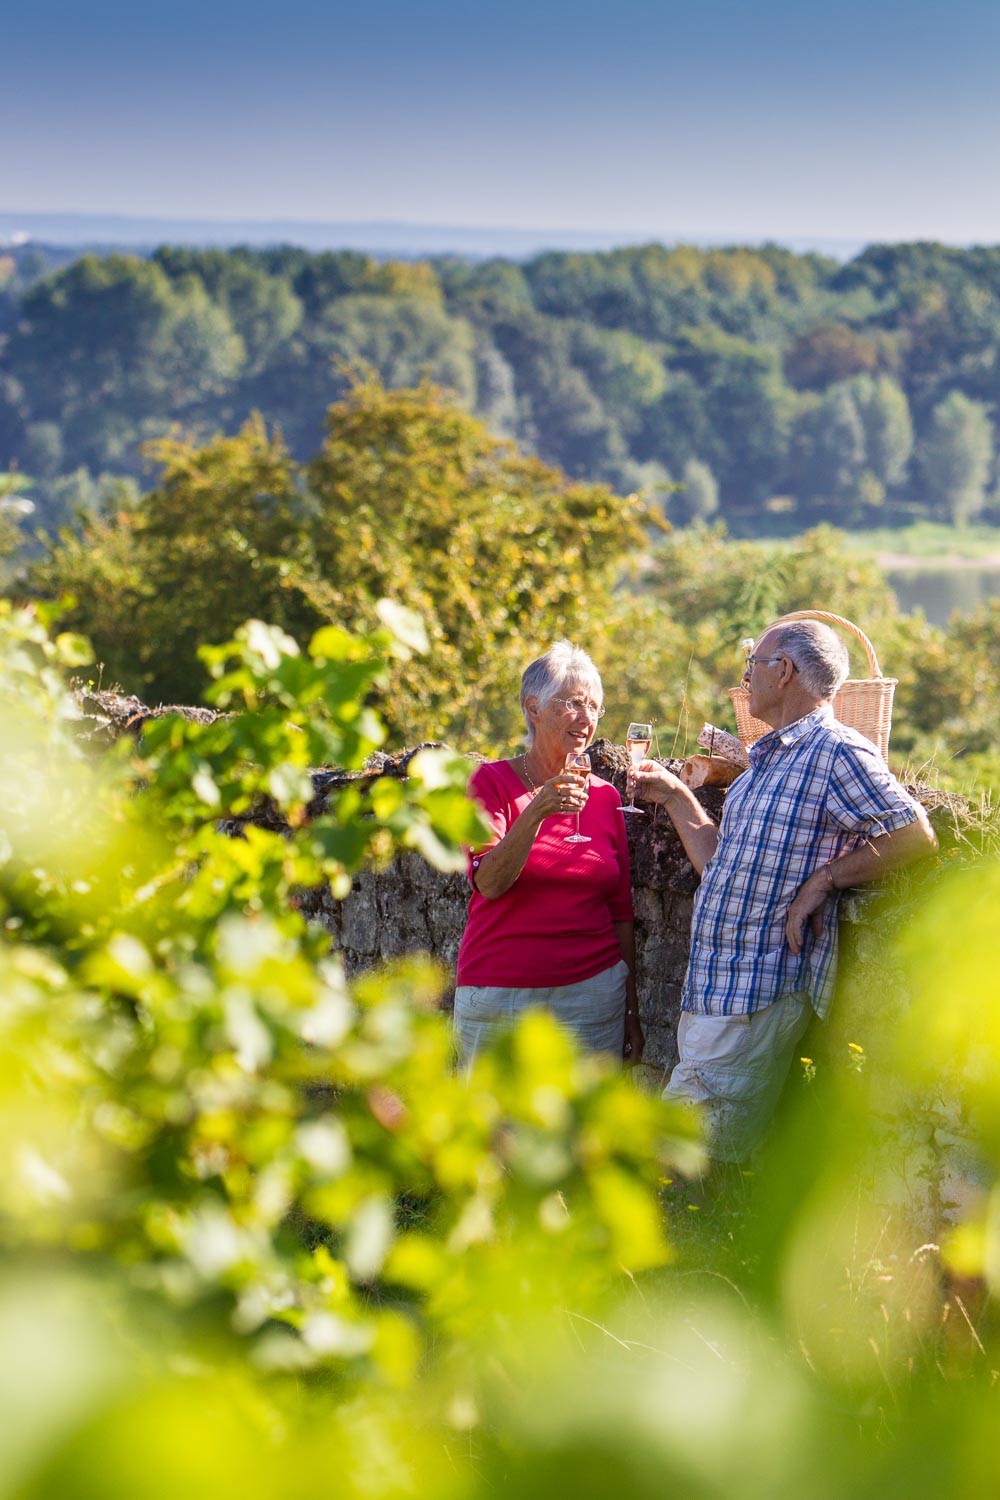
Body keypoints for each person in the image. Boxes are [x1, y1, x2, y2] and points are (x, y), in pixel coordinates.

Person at [634, 619, 937, 1162]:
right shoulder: (764, 765)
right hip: (717, 992)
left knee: (677, 1166)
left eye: (751, 666)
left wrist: (826, 879)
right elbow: (720, 868)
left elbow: (915, 835)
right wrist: (678, 797)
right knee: (692, 1164)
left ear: (785, 670)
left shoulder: (837, 751)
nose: (745, 679)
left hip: (755, 994)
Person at [454, 642, 644, 1068]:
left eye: (594, 706)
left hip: (593, 998)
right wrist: (538, 810)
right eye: (573, 703)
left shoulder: (607, 797)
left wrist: (630, 1011)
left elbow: (621, 913)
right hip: (502, 994)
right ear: (534, 708)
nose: (587, 717)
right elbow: (489, 882)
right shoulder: (489, 783)